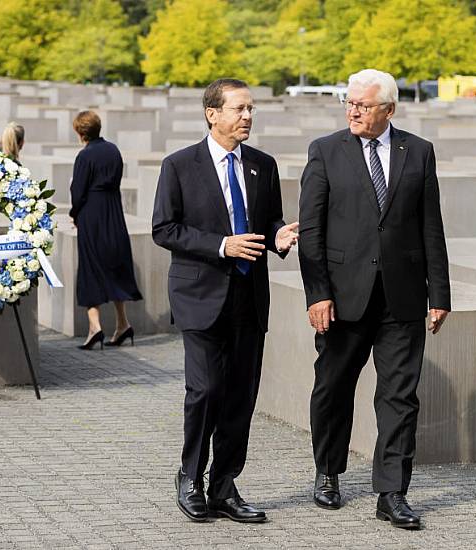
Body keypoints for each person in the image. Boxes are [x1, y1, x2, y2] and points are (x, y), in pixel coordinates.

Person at [298, 69, 451, 530]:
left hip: (402, 299)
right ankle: (328, 472)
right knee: (333, 389)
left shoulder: (418, 152)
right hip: (342, 300)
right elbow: (311, 232)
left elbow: (431, 226)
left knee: (400, 397)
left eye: (362, 105)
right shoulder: (325, 151)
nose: (353, 111)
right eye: (349, 103)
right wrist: (318, 293)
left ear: (389, 109)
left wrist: (439, 293)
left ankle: (392, 493)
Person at [152, 78, 299, 524]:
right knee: (206, 390)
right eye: (239, 108)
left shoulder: (263, 165)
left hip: (248, 299)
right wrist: (221, 245)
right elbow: (165, 229)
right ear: (212, 114)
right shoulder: (179, 165)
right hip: (199, 297)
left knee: (240, 397)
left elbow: (267, 219)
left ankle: (224, 486)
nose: (247, 116)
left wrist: (278, 235)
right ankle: (189, 478)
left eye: (251, 109)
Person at [69, 110, 142, 350]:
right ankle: (122, 324)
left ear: (80, 132)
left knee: (91, 266)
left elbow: (78, 190)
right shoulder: (113, 150)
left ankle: (95, 327)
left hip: (92, 213)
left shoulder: (85, 156)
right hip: (113, 211)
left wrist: (75, 213)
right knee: (115, 264)